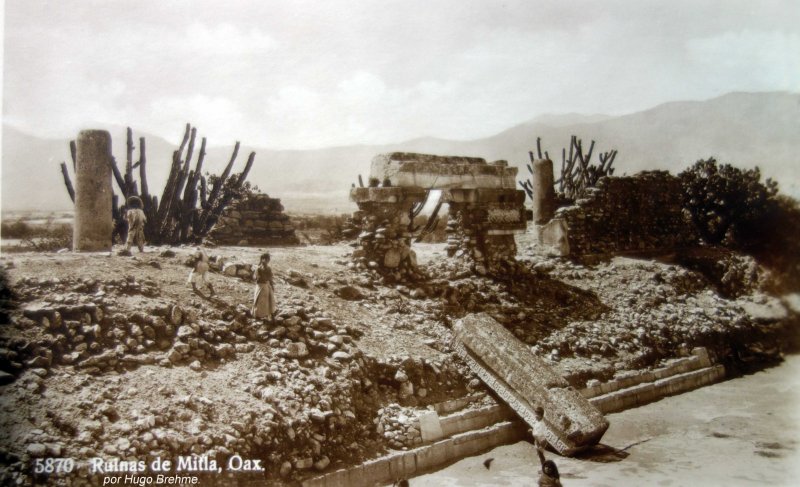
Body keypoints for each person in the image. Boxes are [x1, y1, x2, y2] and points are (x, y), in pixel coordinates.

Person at [252, 252, 276, 321]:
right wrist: (266, 279)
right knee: (260, 301)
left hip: (267, 286)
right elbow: (257, 278)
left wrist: (272, 285)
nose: (267, 261)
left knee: (269, 301)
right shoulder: (258, 269)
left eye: (268, 259)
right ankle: (258, 315)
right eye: (266, 259)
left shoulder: (268, 268)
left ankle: (268, 314)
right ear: (262, 259)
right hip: (261, 286)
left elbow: (270, 278)